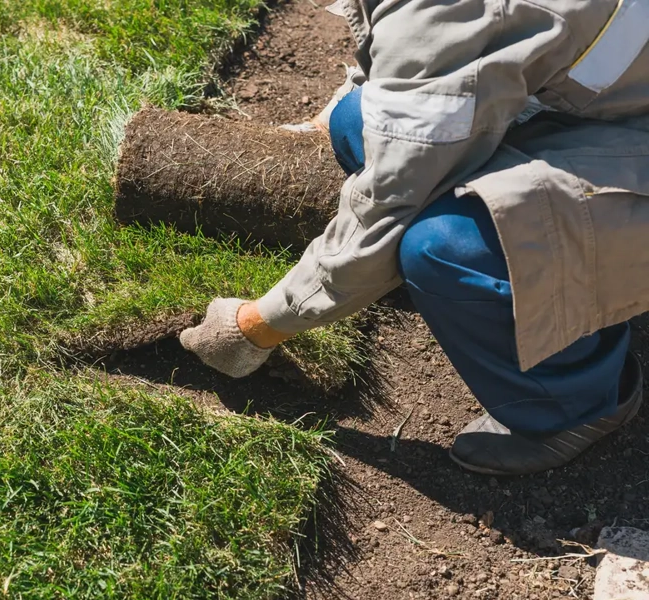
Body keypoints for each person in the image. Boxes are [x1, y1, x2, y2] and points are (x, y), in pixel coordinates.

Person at [179, 0, 649, 476]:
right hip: (610, 107)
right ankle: (539, 288)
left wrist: (258, 325)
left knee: (444, 249)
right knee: (354, 119)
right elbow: (446, 55)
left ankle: (574, 405)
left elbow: (384, 214)